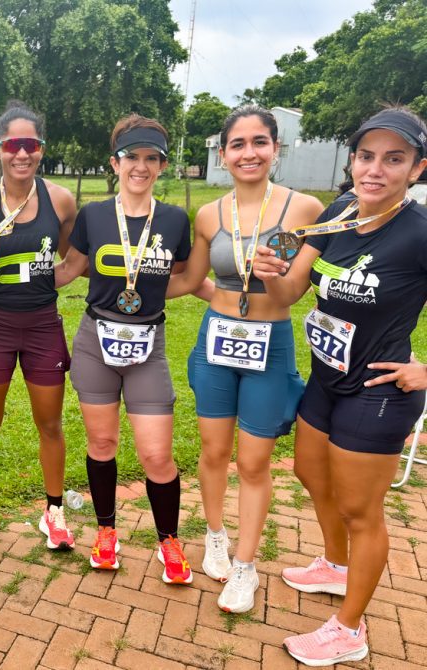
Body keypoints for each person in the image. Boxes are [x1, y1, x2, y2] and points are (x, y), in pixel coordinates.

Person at [251, 107, 427, 666]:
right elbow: (287, 297)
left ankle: (351, 630)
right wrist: (270, 274)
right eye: (366, 156)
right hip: (328, 379)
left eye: (394, 159)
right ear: (352, 160)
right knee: (309, 470)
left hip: (379, 389)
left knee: (361, 510)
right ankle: (334, 566)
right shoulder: (339, 214)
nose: (376, 169)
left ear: (417, 169)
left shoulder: (419, 234)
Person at [167, 105, 323, 612]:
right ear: (224, 152)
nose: (248, 152)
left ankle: (246, 566)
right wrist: (128, 287)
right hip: (217, 339)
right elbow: (192, 281)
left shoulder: (304, 210)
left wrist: (270, 273)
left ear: (275, 148)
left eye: (259, 142)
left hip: (269, 341)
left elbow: (290, 296)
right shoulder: (210, 213)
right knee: (213, 452)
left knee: (253, 462)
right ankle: (215, 535)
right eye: (238, 144)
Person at [54, 114, 211, 581]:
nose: (140, 166)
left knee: (157, 454)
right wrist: (9, 271)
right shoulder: (95, 216)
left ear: (162, 165)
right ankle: (106, 533)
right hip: (95, 343)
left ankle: (169, 541)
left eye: (151, 158)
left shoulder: (174, 219)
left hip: (149, 344)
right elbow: (68, 270)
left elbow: (184, 276)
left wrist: (230, 297)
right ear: (115, 162)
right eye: (131, 157)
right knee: (101, 443)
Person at [0, 102, 76, 553]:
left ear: (41, 149)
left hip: (43, 325)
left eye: (30, 145)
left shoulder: (60, 199)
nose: (21, 154)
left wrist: (51, 280)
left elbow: (72, 255)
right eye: (12, 145)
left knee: (50, 423)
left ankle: (54, 511)